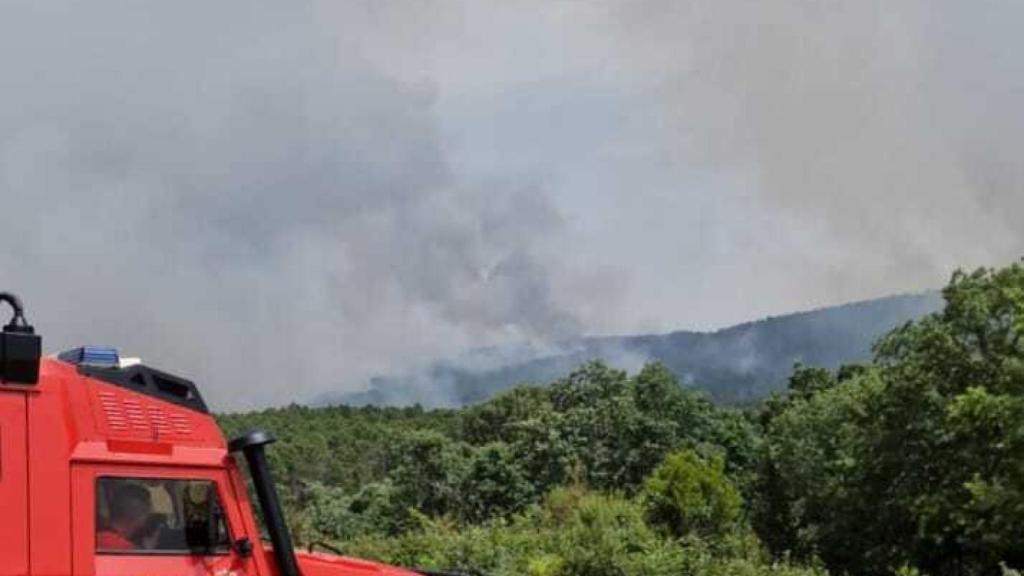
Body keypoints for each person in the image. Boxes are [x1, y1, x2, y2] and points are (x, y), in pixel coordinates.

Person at [97, 483, 156, 550]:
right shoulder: (128, 550)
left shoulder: (94, 539)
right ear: (142, 517)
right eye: (149, 514)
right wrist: (147, 550)